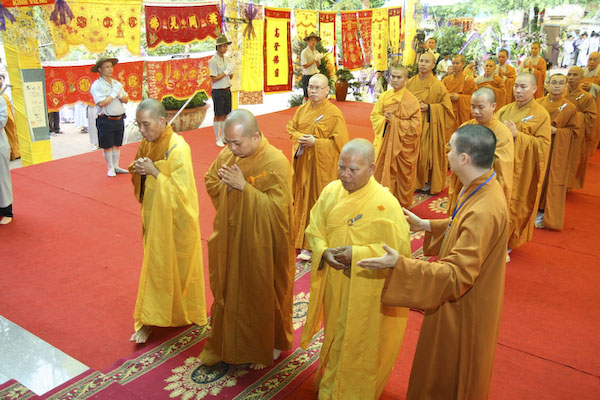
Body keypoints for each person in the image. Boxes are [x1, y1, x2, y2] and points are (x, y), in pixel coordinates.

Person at [358, 125, 509, 400]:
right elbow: (460, 225)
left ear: (464, 158)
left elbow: (457, 275)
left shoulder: (484, 209)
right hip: (457, 300)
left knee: (453, 374)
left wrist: (399, 265)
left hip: (466, 308)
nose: (446, 153)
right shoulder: (481, 185)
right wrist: (427, 224)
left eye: (450, 148)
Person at [301, 139, 411, 399]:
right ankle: (332, 385)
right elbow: (314, 229)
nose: (344, 174)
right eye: (341, 167)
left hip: (368, 291)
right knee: (336, 334)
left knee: (360, 344)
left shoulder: (386, 204)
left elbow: (400, 255)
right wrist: (323, 251)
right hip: (336, 283)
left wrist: (358, 254)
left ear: (371, 169)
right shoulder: (330, 192)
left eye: (353, 169)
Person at [201, 109, 295, 369]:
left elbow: (279, 212)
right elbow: (211, 180)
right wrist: (228, 185)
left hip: (263, 243)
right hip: (231, 235)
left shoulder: (276, 162)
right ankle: (231, 340)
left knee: (261, 291)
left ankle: (270, 341)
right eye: (228, 142)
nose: (231, 148)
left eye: (237, 143)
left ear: (255, 136)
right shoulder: (229, 154)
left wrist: (244, 188)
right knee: (229, 286)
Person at [128, 99, 207, 343]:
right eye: (138, 125)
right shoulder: (147, 143)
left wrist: (154, 172)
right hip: (155, 217)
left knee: (179, 269)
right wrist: (139, 169)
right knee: (157, 267)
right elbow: (138, 174)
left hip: (177, 221)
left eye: (146, 124)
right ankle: (150, 318)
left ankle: (181, 310)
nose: (142, 130)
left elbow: (183, 195)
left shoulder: (178, 148)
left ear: (162, 121)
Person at [286, 73, 349, 260]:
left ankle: (314, 244)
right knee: (302, 201)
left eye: (317, 88)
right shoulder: (302, 110)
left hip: (322, 168)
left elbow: (340, 144)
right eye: (311, 87)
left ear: (327, 90)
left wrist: (317, 143)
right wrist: (301, 139)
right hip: (304, 164)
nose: (313, 91)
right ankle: (301, 239)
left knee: (318, 202)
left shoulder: (334, 114)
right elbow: (291, 129)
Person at [496, 72, 551, 251]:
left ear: (534, 89)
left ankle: (507, 241)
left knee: (514, 203)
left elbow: (543, 145)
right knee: (496, 202)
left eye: (523, 87)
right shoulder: (504, 110)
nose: (518, 90)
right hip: (500, 166)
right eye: (516, 86)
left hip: (522, 169)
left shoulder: (541, 115)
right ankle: (491, 237)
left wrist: (517, 135)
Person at [448, 87, 514, 213]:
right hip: (463, 184)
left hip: (485, 188)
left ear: (493, 106)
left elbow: (502, 169)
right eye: (473, 107)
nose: (476, 111)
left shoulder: (503, 133)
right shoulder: (466, 126)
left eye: (481, 107)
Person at [370, 65, 422, 207]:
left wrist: (396, 122)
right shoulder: (384, 96)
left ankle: (399, 203)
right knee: (380, 170)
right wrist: (384, 120)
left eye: (399, 77)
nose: (395, 80)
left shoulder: (411, 100)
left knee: (400, 174)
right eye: (393, 76)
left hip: (402, 147)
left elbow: (416, 127)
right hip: (385, 141)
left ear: (406, 80)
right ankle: (381, 201)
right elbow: (374, 116)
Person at [535, 74, 582, 230]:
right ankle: (530, 208)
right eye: (553, 82)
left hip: (556, 150)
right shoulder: (537, 104)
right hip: (537, 146)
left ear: (565, 86)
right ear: (547, 85)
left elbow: (575, 132)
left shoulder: (570, 107)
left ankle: (543, 211)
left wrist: (557, 131)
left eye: (561, 83)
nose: (556, 85)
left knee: (549, 178)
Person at [406, 51, 454, 194]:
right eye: (421, 61)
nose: (423, 64)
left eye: (427, 61)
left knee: (425, 155)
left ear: (433, 65)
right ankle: (411, 180)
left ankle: (426, 180)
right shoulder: (410, 82)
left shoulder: (438, 85)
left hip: (428, 125)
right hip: (411, 123)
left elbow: (447, 109)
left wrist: (429, 107)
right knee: (410, 153)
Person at [90, 56, 129, 177]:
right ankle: (110, 167)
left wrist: (120, 95)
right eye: (107, 67)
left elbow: (126, 99)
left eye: (111, 67)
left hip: (119, 118)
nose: (110, 69)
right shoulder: (97, 85)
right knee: (107, 145)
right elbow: (101, 103)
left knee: (117, 144)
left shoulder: (116, 83)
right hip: (106, 119)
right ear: (100, 69)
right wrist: (113, 94)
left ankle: (116, 166)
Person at [565, 67, 597, 189]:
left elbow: (591, 117)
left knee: (572, 159)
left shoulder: (587, 97)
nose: (571, 78)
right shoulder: (561, 93)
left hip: (576, 135)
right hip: (560, 133)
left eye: (575, 75)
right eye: (569, 74)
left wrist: (573, 115)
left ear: (582, 78)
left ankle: (568, 184)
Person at [209, 34, 234, 147]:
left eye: (226, 46)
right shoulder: (213, 61)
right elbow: (214, 78)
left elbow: (229, 75)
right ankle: (217, 138)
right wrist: (225, 72)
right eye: (223, 46)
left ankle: (223, 136)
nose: (225, 48)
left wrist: (230, 73)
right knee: (218, 115)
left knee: (225, 115)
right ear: (218, 47)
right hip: (218, 91)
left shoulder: (227, 59)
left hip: (227, 89)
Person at [443, 54, 478, 133]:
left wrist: (459, 97)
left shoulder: (469, 80)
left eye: (457, 63)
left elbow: (475, 98)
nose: (455, 65)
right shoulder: (446, 80)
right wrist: (446, 96)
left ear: (463, 64)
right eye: (453, 63)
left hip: (462, 113)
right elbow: (440, 94)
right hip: (448, 112)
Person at [300, 32, 323, 102]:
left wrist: (317, 59)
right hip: (307, 76)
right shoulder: (304, 52)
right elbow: (305, 65)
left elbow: (317, 66)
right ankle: (305, 107)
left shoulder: (316, 52)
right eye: (312, 40)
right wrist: (314, 60)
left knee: (316, 95)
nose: (313, 42)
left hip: (315, 75)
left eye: (315, 40)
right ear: (308, 42)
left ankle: (315, 108)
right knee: (307, 96)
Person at [0, 74, 19, 160]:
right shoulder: (3, 96)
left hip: (6, 119)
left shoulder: (3, 97)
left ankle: (14, 153)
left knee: (10, 136)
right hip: (7, 118)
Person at [0, 95, 12, 225]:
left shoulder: (0, 99)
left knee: (2, 178)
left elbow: (2, 120)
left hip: (0, 144)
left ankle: (7, 211)